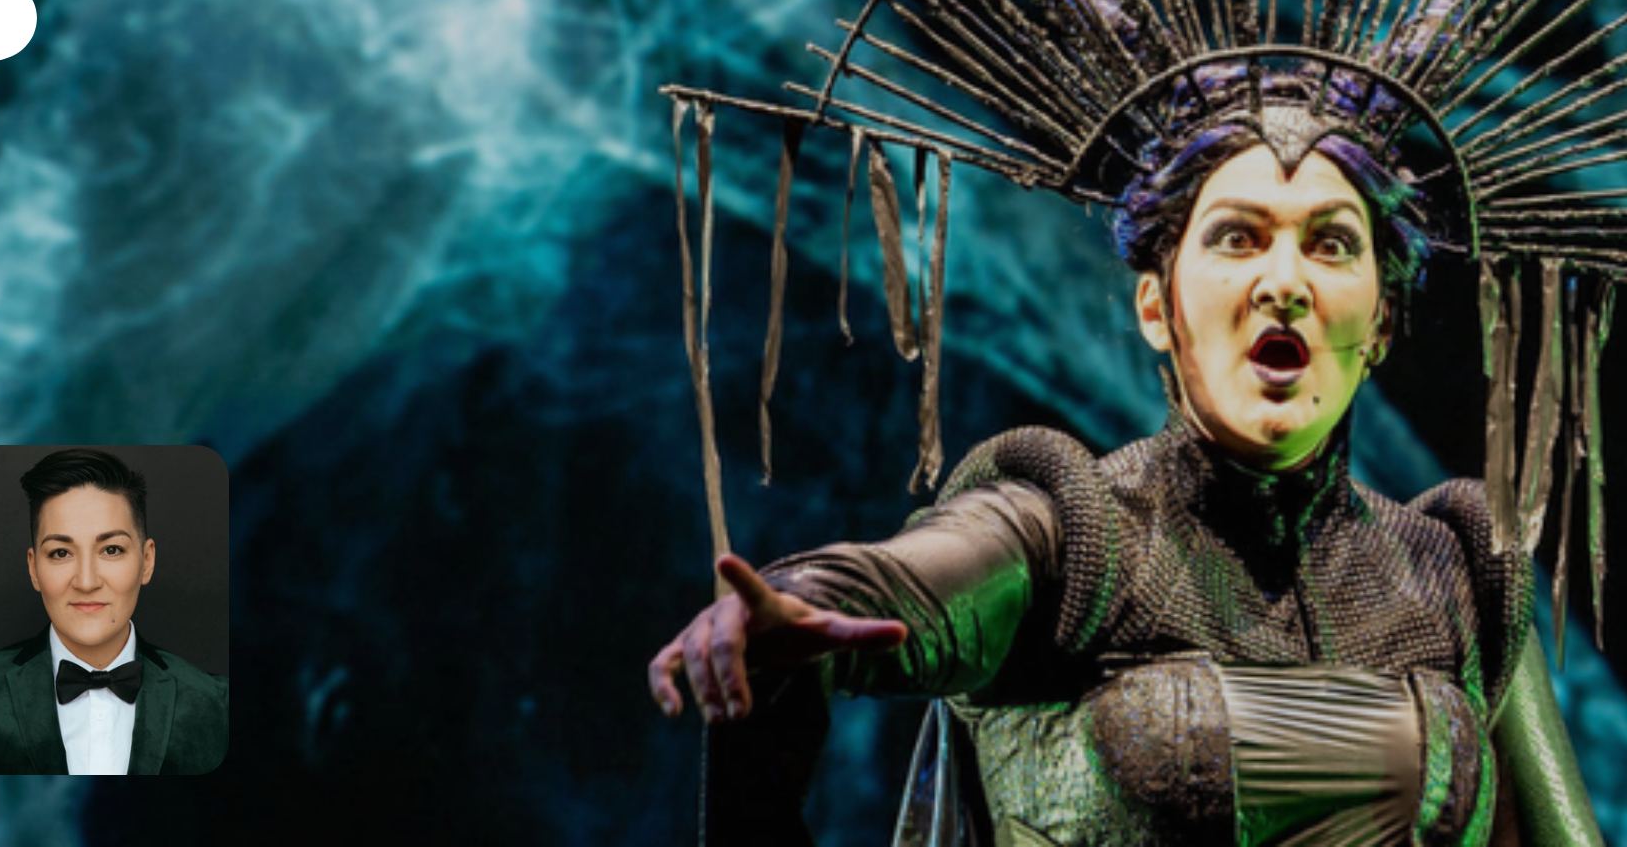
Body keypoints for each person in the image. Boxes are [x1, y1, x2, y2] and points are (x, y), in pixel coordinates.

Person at [650, 128, 1601, 844]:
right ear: (1157, 304)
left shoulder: (1457, 573)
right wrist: (804, 599)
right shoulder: (1075, 529)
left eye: (1331, 243)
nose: (1285, 280)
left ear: (1382, 321)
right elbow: (916, 582)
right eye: (1238, 237)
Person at [0, 448, 228, 775]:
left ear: (147, 561)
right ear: (34, 569)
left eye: (111, 549)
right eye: (60, 553)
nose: (86, 582)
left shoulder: (216, 703)